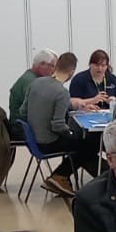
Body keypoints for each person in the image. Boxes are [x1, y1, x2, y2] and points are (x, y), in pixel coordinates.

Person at [25, 50, 99, 198]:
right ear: (72, 72)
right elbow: (58, 126)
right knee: (90, 143)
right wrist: (72, 134)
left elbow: (23, 109)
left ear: (56, 66)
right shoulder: (61, 92)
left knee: (84, 145)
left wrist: (74, 106)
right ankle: (59, 176)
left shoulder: (37, 83)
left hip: (33, 138)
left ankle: (65, 178)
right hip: (48, 141)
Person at [8, 48, 57, 127]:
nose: (54, 71)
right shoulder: (32, 82)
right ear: (42, 64)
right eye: (53, 66)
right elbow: (40, 109)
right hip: (23, 130)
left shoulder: (31, 78)